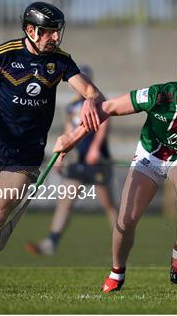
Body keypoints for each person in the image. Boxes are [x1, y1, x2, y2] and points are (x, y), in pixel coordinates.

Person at [52, 57, 177, 292]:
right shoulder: (158, 95)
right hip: (149, 157)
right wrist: (72, 138)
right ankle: (117, 271)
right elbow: (107, 108)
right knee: (125, 221)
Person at [0, 2, 104, 292]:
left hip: (27, 151)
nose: (55, 38)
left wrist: (85, 112)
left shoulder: (61, 61)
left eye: (57, 32)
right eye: (49, 32)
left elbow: (93, 93)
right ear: (31, 30)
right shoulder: (4, 54)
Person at [25, 65, 117, 256]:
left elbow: (104, 123)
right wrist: (60, 156)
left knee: (108, 204)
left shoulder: (97, 101)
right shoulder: (72, 106)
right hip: (77, 161)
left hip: (96, 160)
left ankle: (121, 240)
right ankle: (51, 242)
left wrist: (94, 149)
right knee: (65, 202)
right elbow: (68, 132)